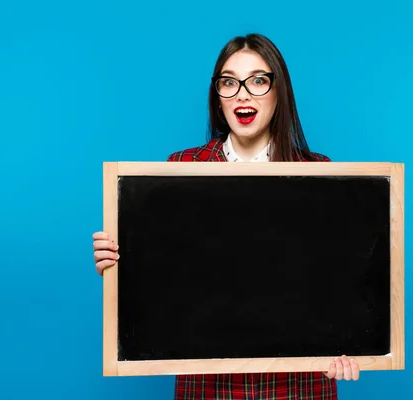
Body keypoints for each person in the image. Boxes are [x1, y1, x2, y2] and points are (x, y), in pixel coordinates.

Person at [92, 33, 360, 399]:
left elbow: (339, 284)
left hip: (297, 386)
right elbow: (162, 280)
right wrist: (119, 262)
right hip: (208, 386)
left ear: (279, 92)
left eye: (259, 81)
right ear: (217, 97)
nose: (243, 94)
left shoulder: (318, 172)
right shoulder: (180, 168)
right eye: (229, 82)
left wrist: (351, 342)